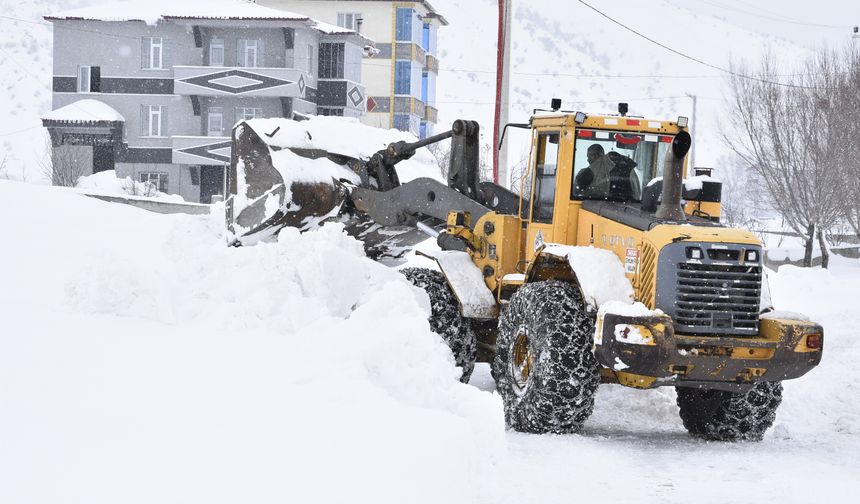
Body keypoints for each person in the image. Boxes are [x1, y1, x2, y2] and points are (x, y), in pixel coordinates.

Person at [574, 144, 641, 201]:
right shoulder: (628, 168)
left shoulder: (588, 172)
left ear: (598, 156)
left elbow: (576, 193)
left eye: (589, 156)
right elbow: (637, 195)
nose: (588, 160)